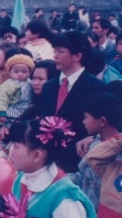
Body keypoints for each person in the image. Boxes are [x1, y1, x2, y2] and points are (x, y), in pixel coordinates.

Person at [41, 32, 106, 173]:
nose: (55, 56)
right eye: (54, 51)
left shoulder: (95, 87)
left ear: (77, 56)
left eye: (60, 51)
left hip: (78, 161)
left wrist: (93, 138)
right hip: (48, 161)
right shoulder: (49, 86)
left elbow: (106, 124)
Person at [0, 54, 35, 129]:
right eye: (16, 72)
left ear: (29, 73)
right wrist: (1, 112)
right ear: (10, 72)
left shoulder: (30, 82)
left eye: (24, 72)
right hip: (11, 114)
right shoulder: (8, 84)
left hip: (26, 112)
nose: (20, 74)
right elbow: (1, 98)